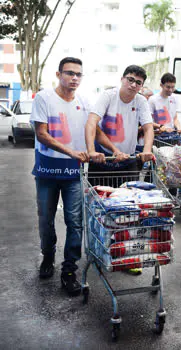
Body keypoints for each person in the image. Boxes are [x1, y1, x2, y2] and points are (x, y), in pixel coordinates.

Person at [30, 57, 90, 296]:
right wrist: (72, 152)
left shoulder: (84, 102)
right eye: (69, 73)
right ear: (58, 74)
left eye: (78, 74)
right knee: (46, 219)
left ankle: (69, 270)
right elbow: (42, 134)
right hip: (46, 172)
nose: (74, 78)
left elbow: (91, 130)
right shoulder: (44, 98)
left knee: (75, 222)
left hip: (73, 173)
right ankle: (48, 255)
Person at [85, 65, 155, 182]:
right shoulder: (108, 96)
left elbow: (148, 128)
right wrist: (91, 151)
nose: (133, 85)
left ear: (141, 86)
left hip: (128, 160)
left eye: (138, 82)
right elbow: (91, 123)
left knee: (129, 198)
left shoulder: (141, 101)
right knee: (98, 197)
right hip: (103, 158)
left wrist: (147, 150)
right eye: (130, 79)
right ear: (122, 79)